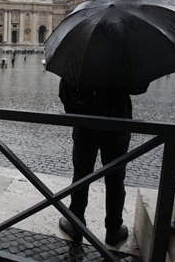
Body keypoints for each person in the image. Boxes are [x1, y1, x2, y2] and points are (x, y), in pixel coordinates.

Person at [57, 79, 148, 245]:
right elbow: (139, 86)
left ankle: (76, 224)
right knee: (115, 178)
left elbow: (65, 91)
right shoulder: (122, 56)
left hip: (85, 124)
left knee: (81, 175)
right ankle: (113, 229)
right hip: (117, 123)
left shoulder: (81, 56)